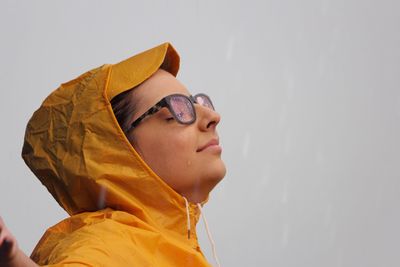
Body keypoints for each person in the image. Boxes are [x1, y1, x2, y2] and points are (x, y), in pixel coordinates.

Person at [0, 42, 226, 266]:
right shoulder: (108, 247)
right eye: (179, 108)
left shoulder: (169, 245)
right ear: (119, 149)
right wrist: (13, 259)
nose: (213, 116)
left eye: (197, 103)